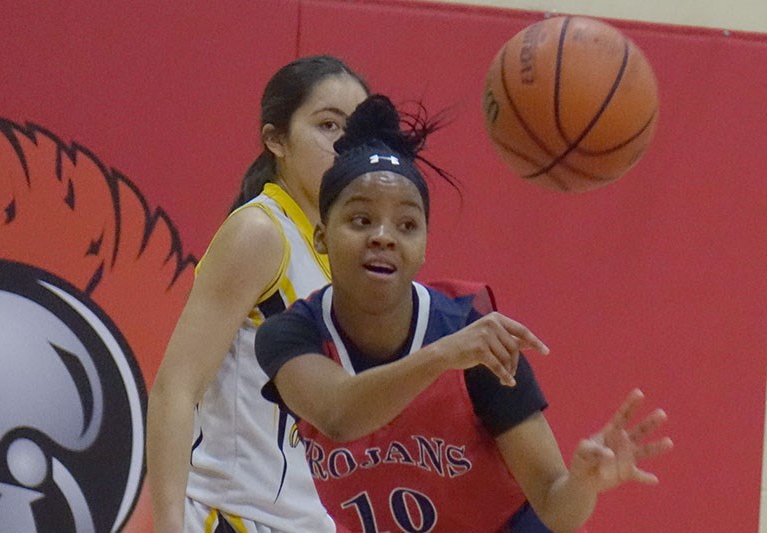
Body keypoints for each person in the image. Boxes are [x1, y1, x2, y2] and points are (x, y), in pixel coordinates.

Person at [254, 94, 674, 532]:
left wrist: (584, 483)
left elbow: (555, 506)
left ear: (423, 247)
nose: (383, 236)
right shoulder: (291, 335)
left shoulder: (475, 339)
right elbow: (339, 416)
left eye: (407, 225)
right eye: (361, 220)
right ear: (321, 237)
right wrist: (442, 356)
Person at [146, 55, 370, 533]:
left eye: (358, 130)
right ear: (277, 140)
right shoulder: (260, 232)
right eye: (328, 125)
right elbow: (175, 390)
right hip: (234, 518)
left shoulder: (350, 254)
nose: (345, 144)